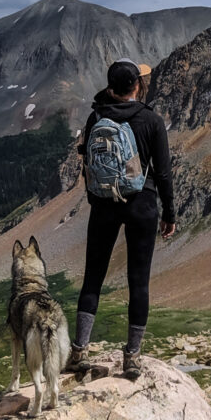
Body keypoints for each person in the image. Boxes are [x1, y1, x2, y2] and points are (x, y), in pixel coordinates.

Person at [70, 58, 176, 379]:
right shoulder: (151, 121)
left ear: (110, 87)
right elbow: (164, 172)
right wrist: (169, 213)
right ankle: (131, 358)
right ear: (136, 86)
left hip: (105, 204)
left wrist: (96, 200)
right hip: (141, 203)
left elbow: (87, 164)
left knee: (93, 277)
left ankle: (78, 352)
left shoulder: (96, 116)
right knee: (138, 281)